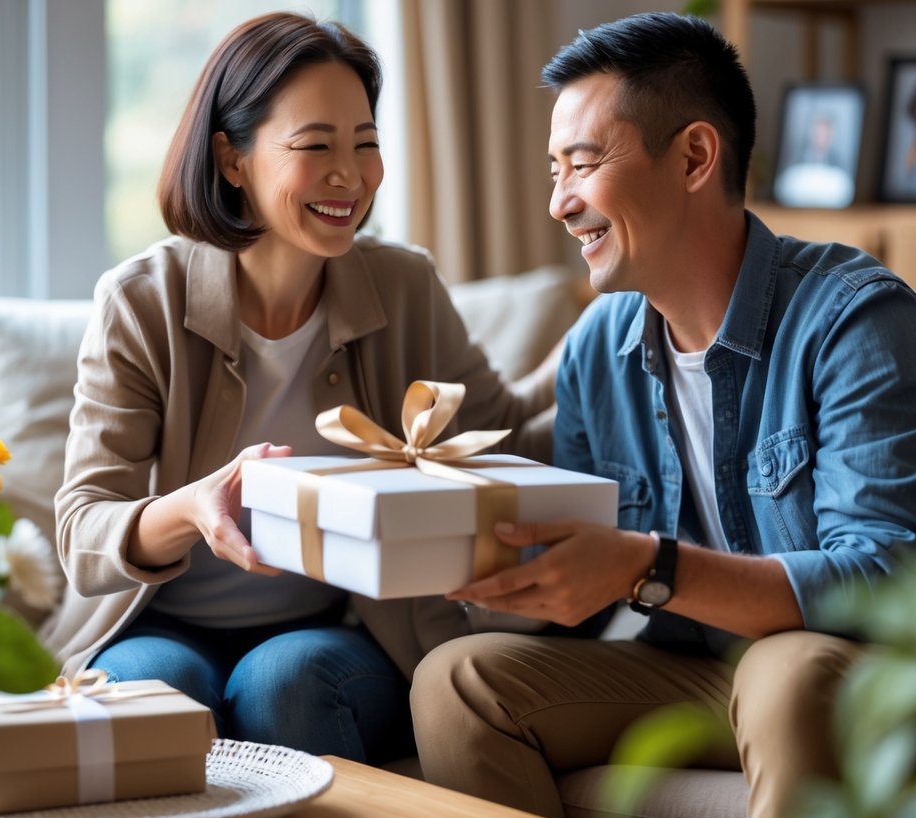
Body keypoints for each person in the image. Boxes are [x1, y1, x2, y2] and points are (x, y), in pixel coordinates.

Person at [410, 12, 916, 818]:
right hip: (704, 672)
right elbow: (583, 591)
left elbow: (884, 582)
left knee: (786, 673)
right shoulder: (598, 346)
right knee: (455, 681)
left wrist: (646, 567)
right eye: (553, 170)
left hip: (883, 673)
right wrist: (488, 563)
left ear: (693, 156)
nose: (558, 202)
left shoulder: (855, 317)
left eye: (582, 164)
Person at [42, 12, 566, 765]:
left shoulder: (402, 285)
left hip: (329, 631)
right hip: (155, 626)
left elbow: (499, 433)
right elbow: (83, 532)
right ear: (231, 159)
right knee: (155, 689)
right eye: (314, 145)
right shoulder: (142, 300)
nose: (349, 175)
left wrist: (607, 329)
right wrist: (191, 507)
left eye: (365, 144)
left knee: (284, 681)